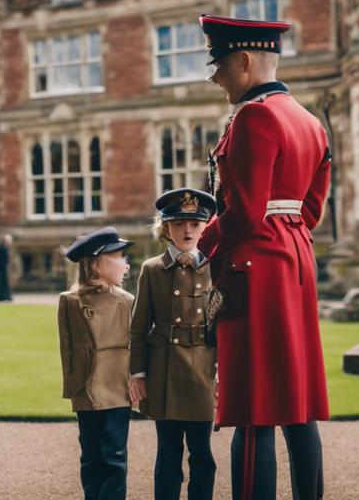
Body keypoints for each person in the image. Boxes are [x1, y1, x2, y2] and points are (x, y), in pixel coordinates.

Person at [197, 13, 332, 500]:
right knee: (295, 401)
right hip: (296, 260)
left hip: (254, 265)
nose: (215, 76)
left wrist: (200, 247)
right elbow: (311, 208)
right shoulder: (310, 120)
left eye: (219, 65)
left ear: (245, 59)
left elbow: (247, 212)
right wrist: (286, 238)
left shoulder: (254, 116)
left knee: (253, 407)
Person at [129, 188, 218, 500]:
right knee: (167, 453)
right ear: (166, 229)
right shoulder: (152, 269)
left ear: (206, 226)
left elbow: (222, 325)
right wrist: (137, 374)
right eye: (179, 224)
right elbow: (138, 327)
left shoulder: (215, 267)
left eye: (195, 224)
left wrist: (224, 372)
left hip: (204, 372)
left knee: (202, 455)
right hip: (164, 370)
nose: (187, 230)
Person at [58, 227, 135, 500]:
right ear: (98, 264)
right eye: (120, 257)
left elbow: (136, 348)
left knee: (114, 458)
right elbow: (67, 349)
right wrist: (73, 388)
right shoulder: (70, 301)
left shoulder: (127, 302)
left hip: (116, 390)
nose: (126, 264)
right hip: (86, 389)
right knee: (90, 458)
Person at [0, 233, 13, 302]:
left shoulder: (5, 247)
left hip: (4, 267)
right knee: (0, 283)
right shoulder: (0, 247)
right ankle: (0, 297)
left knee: (5, 283)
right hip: (1, 267)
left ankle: (6, 296)